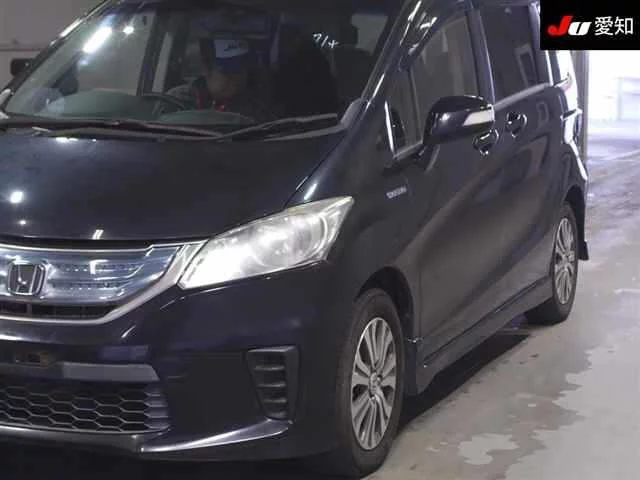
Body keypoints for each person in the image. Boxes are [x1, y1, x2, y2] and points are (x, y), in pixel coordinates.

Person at [169, 38, 271, 121]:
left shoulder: (258, 110)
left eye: (242, 66)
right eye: (228, 70)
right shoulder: (178, 101)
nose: (237, 76)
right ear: (205, 67)